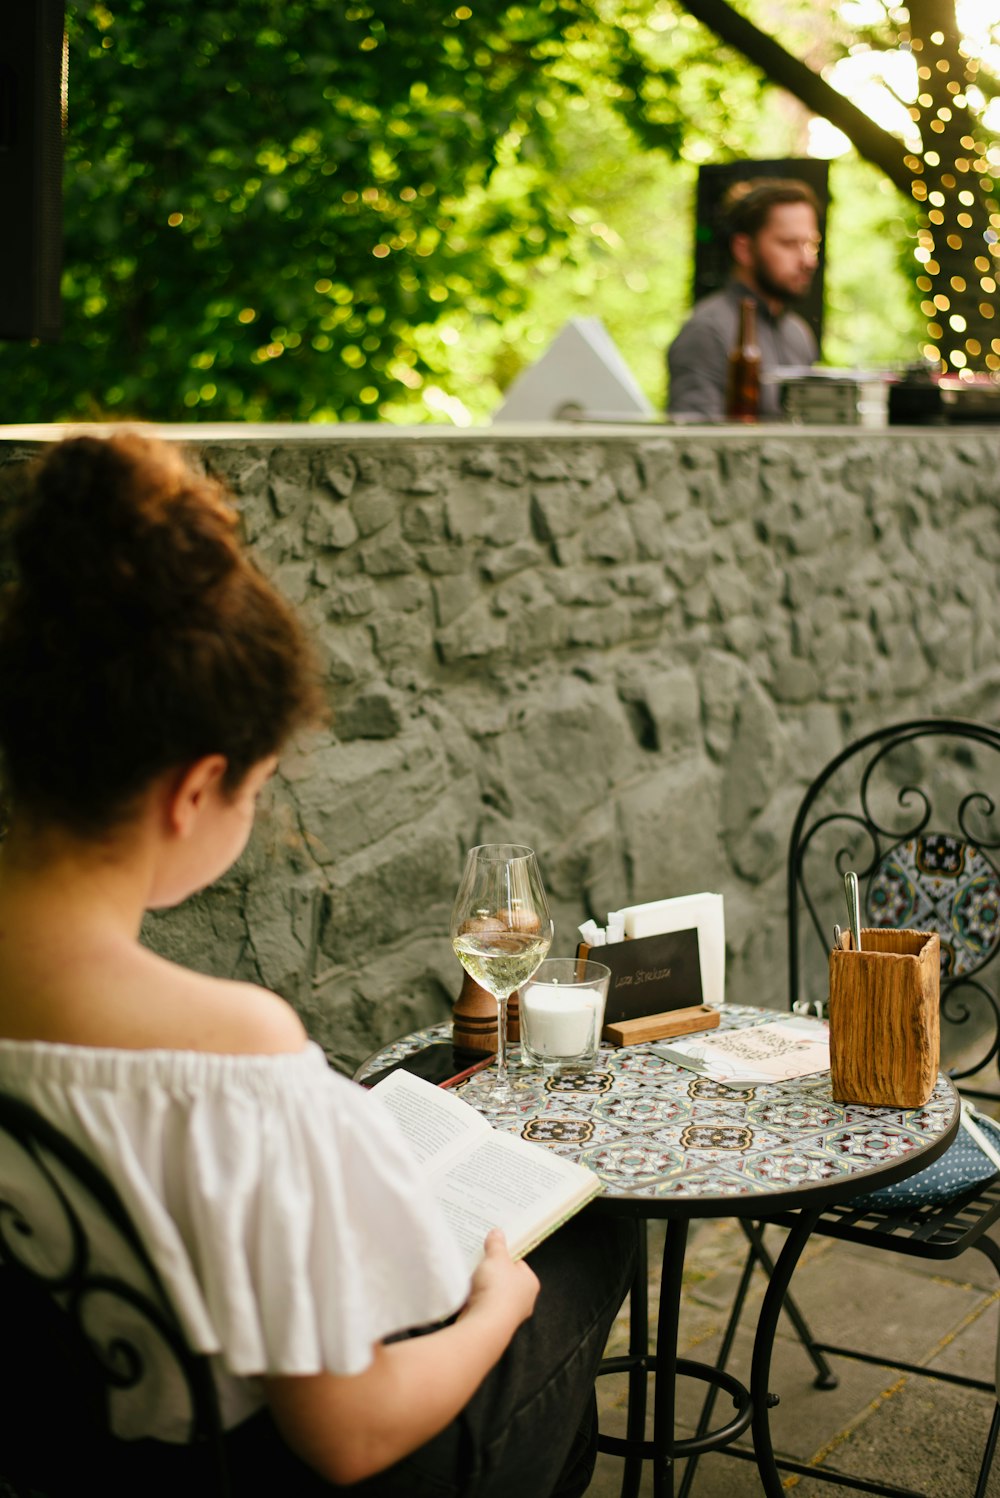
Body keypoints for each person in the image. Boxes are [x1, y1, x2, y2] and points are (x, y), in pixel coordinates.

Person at [0, 433, 635, 1497]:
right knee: (586, 1248)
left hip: (58, 1447)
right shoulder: (228, 1050)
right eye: (256, 791)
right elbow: (348, 1433)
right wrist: (496, 1306)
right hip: (248, 1471)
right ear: (194, 790)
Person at [667, 178, 822, 421]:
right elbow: (694, 448)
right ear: (743, 249)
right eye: (789, 244)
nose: (808, 261)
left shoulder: (798, 334)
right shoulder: (707, 331)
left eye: (811, 244)